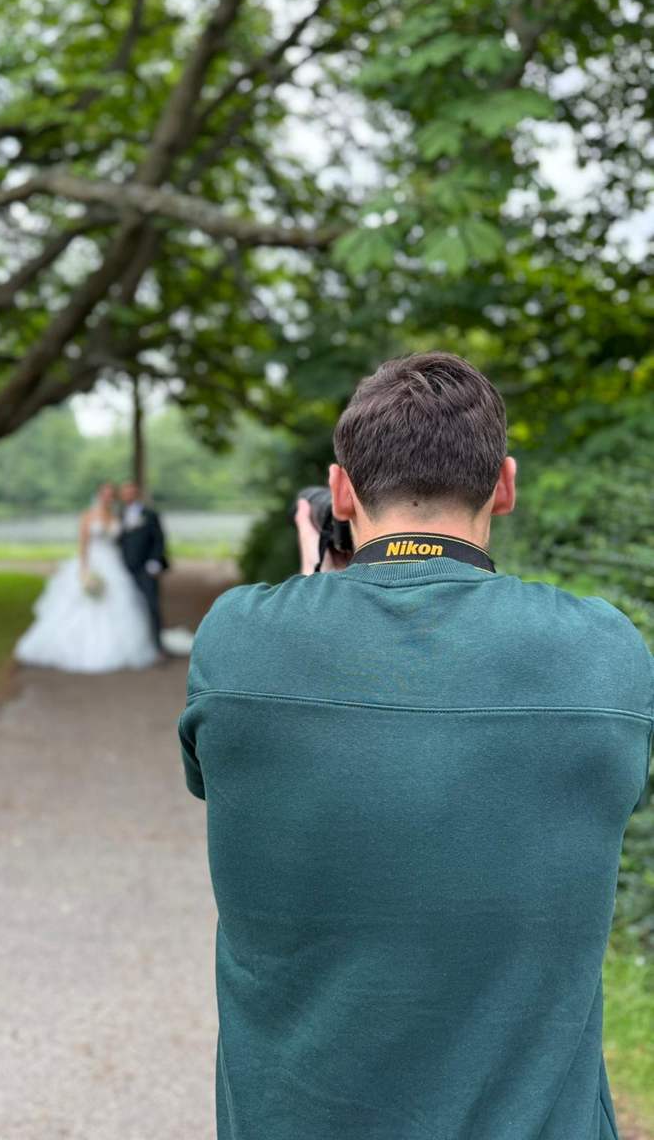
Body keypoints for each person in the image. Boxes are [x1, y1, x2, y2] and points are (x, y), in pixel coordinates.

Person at [178, 351, 652, 1140]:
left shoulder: (238, 641)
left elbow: (218, 775)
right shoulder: (602, 652)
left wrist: (317, 590)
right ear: (504, 484)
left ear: (339, 492)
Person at [14, 482, 160, 672]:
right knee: (80, 606)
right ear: (98, 495)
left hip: (114, 564)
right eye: (105, 494)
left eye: (111, 495)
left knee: (121, 603)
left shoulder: (118, 516)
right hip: (92, 563)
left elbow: (125, 542)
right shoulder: (88, 516)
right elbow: (82, 545)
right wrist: (84, 570)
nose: (108, 498)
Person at [117, 480, 170, 655]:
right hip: (123, 570)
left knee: (152, 605)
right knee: (128, 606)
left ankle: (158, 646)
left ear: (137, 493)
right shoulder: (118, 515)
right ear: (122, 495)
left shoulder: (150, 514)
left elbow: (159, 539)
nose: (128, 495)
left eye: (131, 491)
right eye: (125, 492)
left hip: (146, 569)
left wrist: (154, 562)